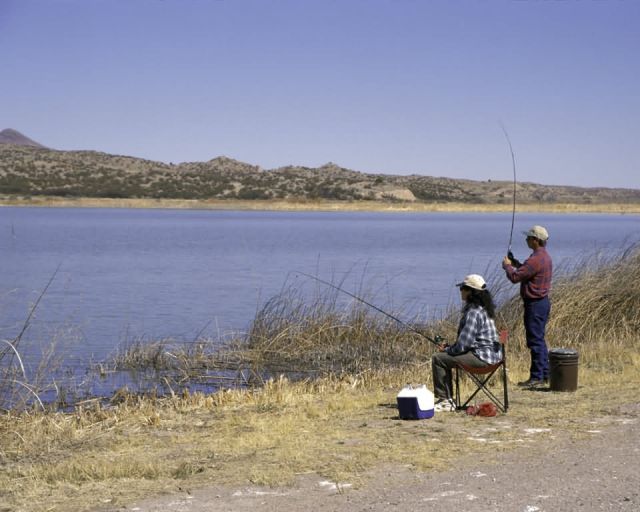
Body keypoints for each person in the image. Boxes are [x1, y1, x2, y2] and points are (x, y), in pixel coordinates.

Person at [432, 274, 502, 412]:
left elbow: (464, 345)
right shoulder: (484, 309)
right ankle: (447, 400)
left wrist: (447, 350)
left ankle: (445, 400)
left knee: (438, 359)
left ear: (470, 292)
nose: (461, 291)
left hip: (483, 359)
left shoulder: (473, 312)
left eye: (463, 288)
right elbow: (468, 343)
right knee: (445, 356)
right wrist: (450, 348)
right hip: (494, 357)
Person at [502, 225, 553, 388]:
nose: (526, 240)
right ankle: (545, 374)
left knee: (535, 341)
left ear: (535, 240)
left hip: (535, 305)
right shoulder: (543, 257)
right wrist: (516, 262)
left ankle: (537, 377)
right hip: (542, 303)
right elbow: (527, 271)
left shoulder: (535, 259)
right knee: (539, 339)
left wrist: (508, 266)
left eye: (528, 238)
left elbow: (516, 277)